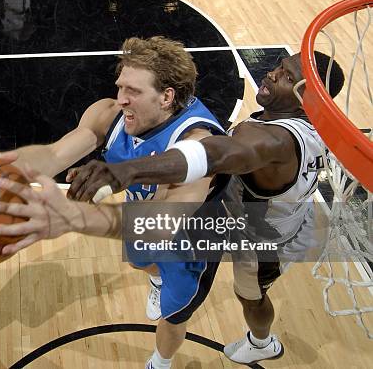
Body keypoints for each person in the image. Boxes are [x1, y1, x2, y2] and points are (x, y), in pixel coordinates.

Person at [52, 51, 345, 364]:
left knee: (249, 296)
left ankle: (262, 343)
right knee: (147, 248)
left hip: (261, 237)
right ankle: (160, 279)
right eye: (279, 67)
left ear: (309, 102)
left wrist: (129, 170)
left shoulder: (276, 140)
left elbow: (216, 154)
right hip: (257, 212)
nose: (272, 74)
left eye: (288, 78)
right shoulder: (295, 122)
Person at [0, 36, 228, 369]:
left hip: (191, 239)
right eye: (120, 86)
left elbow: (163, 223)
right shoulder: (111, 113)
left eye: (133, 91)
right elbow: (52, 155)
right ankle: (156, 277)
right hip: (143, 216)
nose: (121, 98)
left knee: (172, 315)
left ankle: (160, 362)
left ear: (167, 97)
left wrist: (75, 216)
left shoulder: (196, 144)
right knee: (138, 261)